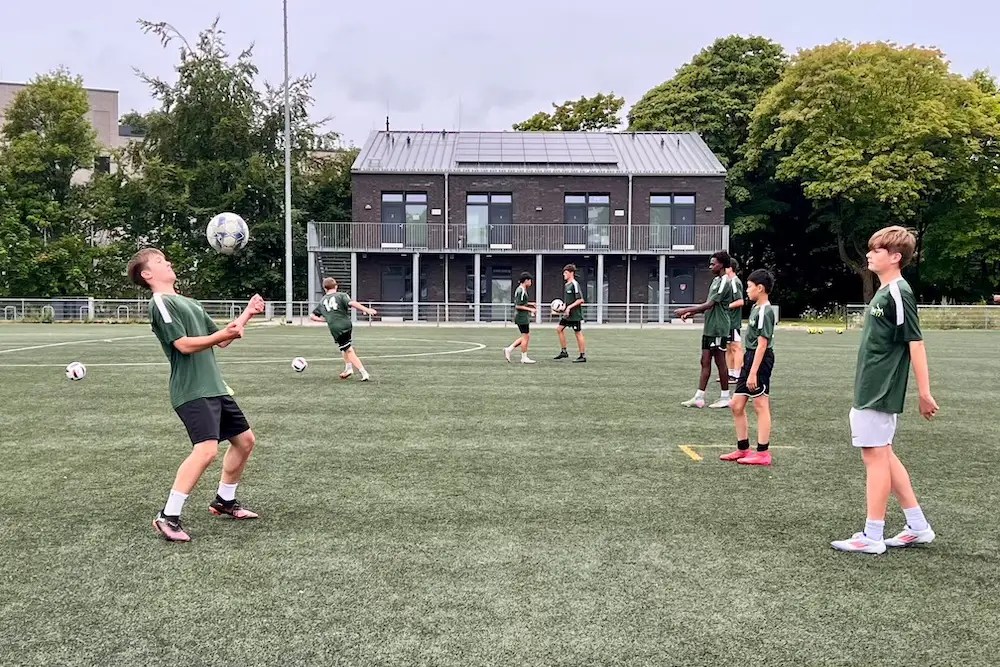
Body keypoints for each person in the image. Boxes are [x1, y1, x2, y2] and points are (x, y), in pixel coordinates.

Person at [127, 248, 265, 543]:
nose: (168, 263)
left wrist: (248, 313)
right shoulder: (161, 302)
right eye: (160, 261)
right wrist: (223, 335)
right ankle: (168, 516)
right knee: (206, 450)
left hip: (215, 387)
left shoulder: (190, 303)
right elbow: (183, 345)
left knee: (245, 441)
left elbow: (222, 340)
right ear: (147, 274)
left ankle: (224, 501)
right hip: (192, 389)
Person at [831, 226, 939, 555]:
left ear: (895, 257)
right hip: (871, 386)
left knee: (875, 456)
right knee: (884, 455)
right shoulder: (885, 291)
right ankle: (918, 526)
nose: (869, 254)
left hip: (880, 389)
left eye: (876, 250)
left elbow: (915, 342)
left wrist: (924, 392)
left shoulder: (898, 292)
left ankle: (872, 534)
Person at [721, 269, 776, 466]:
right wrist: (745, 360)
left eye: (749, 286)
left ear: (760, 288)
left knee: (760, 404)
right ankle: (743, 448)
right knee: (736, 405)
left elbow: (762, 345)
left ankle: (763, 453)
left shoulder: (765, 312)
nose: (747, 290)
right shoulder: (755, 308)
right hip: (751, 358)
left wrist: (753, 372)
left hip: (760, 360)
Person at [676, 251, 734, 409]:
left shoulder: (725, 281)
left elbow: (710, 304)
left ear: (721, 265)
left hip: (718, 327)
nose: (710, 266)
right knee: (705, 360)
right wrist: (691, 313)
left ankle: (725, 397)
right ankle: (699, 398)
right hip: (710, 327)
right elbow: (709, 305)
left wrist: (685, 309)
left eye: (713, 264)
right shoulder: (716, 281)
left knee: (720, 361)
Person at [309, 277, 378, 382]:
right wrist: (366, 309)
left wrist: (324, 320)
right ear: (336, 286)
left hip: (336, 328)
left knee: (348, 350)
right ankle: (348, 369)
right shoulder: (341, 295)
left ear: (324, 288)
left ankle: (363, 372)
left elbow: (312, 316)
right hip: (347, 324)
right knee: (345, 347)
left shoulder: (322, 301)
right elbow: (352, 303)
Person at [554, 263, 587, 362]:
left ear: (571, 273)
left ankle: (582, 356)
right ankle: (564, 351)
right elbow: (568, 300)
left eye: (565, 273)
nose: (563, 274)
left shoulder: (574, 284)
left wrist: (569, 307)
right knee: (559, 329)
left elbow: (580, 300)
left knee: (578, 333)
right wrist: (563, 307)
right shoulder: (567, 285)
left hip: (575, 315)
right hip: (567, 314)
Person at [505, 272, 537, 364]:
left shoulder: (521, 289)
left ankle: (509, 349)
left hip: (522, 316)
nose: (531, 282)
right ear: (526, 280)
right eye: (530, 280)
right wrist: (531, 309)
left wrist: (530, 304)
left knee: (525, 336)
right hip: (521, 317)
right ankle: (524, 357)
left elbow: (522, 302)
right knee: (525, 337)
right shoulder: (521, 290)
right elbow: (518, 306)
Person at [726, 258, 746, 383]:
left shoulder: (734, 282)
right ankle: (730, 373)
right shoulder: (728, 282)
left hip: (733, 321)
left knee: (736, 347)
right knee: (728, 347)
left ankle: (738, 375)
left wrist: (725, 307)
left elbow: (740, 301)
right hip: (727, 321)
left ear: (730, 268)